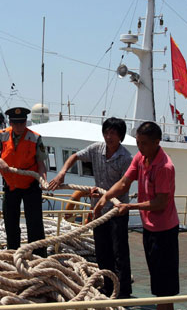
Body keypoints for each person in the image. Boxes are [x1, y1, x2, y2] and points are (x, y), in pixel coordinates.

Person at [94, 121, 180, 310]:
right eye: (138, 143)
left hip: (165, 229)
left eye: (144, 144)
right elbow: (124, 182)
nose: (139, 148)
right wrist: (105, 196)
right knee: (157, 272)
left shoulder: (164, 167)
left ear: (156, 142)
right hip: (150, 227)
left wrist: (130, 206)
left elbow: (160, 202)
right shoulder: (141, 158)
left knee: (164, 274)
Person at [48, 117, 133, 298]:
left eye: (113, 133)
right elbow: (74, 156)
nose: (109, 136)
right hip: (98, 211)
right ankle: (108, 286)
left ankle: (124, 291)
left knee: (119, 253)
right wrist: (62, 173)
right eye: (106, 132)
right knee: (102, 251)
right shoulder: (96, 149)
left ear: (121, 136)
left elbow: (124, 185)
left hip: (116, 212)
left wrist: (105, 195)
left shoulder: (125, 158)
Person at [0, 107, 48, 258]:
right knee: (10, 221)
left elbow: (41, 164)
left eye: (22, 123)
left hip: (30, 184)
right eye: (16, 123)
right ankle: (12, 253)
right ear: (11, 122)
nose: (19, 126)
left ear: (26, 122)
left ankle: (38, 255)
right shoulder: (2, 136)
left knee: (35, 223)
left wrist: (43, 180)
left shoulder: (35, 138)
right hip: (11, 184)